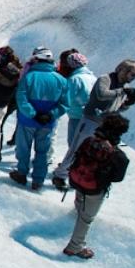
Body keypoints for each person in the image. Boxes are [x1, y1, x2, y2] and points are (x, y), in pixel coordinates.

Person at [54, 59, 135, 186]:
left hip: (104, 124)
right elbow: (102, 94)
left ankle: (79, 174)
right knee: (77, 148)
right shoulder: (105, 79)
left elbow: (118, 107)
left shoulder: (125, 87)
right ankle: (60, 174)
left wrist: (128, 103)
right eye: (133, 74)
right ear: (123, 70)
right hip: (90, 120)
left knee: (91, 152)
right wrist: (122, 92)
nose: (134, 78)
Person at [63, 114, 131, 259]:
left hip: (76, 180)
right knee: (87, 219)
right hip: (94, 189)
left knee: (80, 200)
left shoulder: (89, 141)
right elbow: (118, 177)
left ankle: (77, 213)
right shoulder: (118, 155)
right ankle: (75, 247)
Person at [9, 47, 68, 190]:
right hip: (47, 123)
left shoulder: (29, 76)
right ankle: (38, 180)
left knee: (24, 148)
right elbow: (65, 104)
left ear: (36, 59)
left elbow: (21, 98)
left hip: (27, 120)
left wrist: (33, 113)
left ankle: (22, 173)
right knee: (42, 151)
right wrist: (51, 114)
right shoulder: (61, 80)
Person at [50, 51, 97, 189]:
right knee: (84, 148)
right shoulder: (92, 77)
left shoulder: (74, 79)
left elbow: (66, 100)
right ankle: (76, 170)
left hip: (77, 117)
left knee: (74, 146)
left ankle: (65, 173)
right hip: (91, 118)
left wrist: (54, 113)